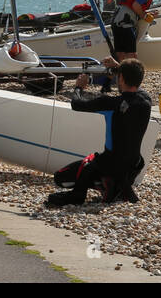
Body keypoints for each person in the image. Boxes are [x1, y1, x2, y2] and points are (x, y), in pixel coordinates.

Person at [46, 59, 152, 207]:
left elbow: (77, 104)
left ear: (121, 78)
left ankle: (107, 183)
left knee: (60, 177)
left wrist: (79, 87)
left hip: (109, 165)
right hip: (132, 167)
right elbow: (132, 84)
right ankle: (115, 186)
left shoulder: (110, 104)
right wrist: (118, 68)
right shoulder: (146, 100)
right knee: (114, 162)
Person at [110, 0, 161, 64]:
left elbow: (131, 6)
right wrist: (145, 16)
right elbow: (135, 5)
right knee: (131, 55)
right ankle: (130, 77)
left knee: (120, 54)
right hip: (126, 23)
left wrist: (147, 13)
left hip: (117, 20)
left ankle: (121, 76)